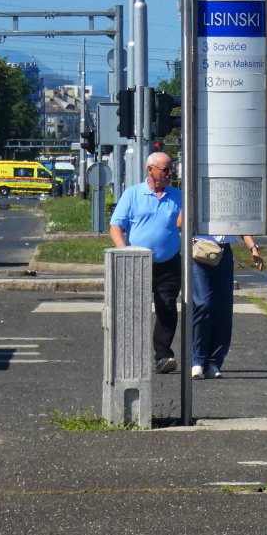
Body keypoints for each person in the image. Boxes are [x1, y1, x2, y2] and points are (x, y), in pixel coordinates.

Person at [108, 152, 183, 374]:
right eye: (165, 169)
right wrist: (125, 253)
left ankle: (163, 356)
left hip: (169, 263)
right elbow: (116, 227)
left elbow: (183, 224)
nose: (170, 174)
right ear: (150, 170)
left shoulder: (178, 196)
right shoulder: (133, 194)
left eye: (171, 169)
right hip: (137, 262)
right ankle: (130, 357)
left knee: (167, 308)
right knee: (133, 310)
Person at [189, 226, 264, 380]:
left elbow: (239, 223)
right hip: (199, 248)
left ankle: (214, 362)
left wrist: (253, 248)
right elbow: (179, 222)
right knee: (203, 304)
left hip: (223, 251)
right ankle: (198, 360)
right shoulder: (196, 200)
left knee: (223, 308)